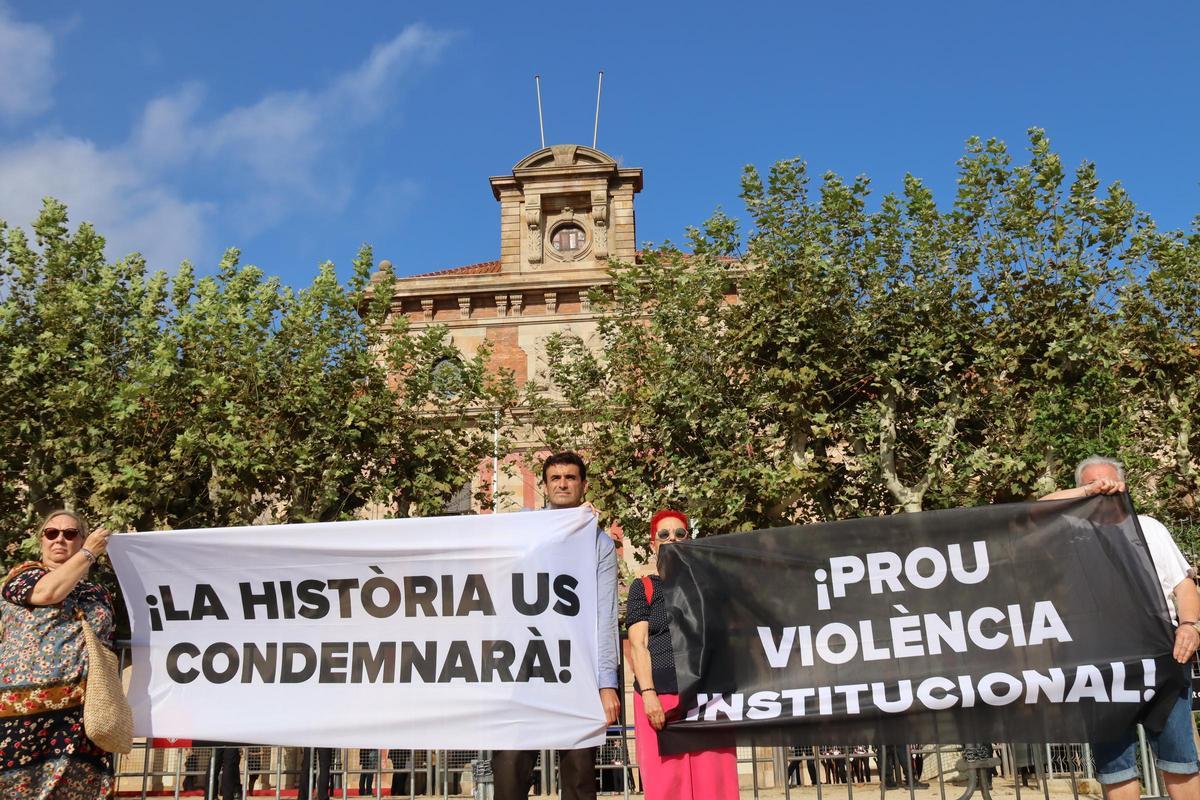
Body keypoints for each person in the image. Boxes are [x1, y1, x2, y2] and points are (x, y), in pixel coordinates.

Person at [1041, 456, 1200, 800]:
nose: (1105, 490)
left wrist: (1190, 625)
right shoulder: (1071, 533)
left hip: (1162, 657)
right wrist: (1087, 491)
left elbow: (1183, 586)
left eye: (1110, 483)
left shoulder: (1150, 527)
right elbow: (1032, 512)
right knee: (1117, 767)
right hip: (1101, 667)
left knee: (1180, 762)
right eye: (1094, 486)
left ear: (1125, 485)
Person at [492, 452, 620, 800]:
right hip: (521, 668)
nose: (563, 483)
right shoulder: (523, 529)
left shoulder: (600, 543)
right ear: (545, 486)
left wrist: (607, 684)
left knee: (579, 780)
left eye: (571, 477)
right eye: (555, 478)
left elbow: (604, 615)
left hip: (575, 672)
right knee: (508, 772)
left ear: (583, 485)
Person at [0, 509, 116, 797]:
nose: (59, 539)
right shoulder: (24, 575)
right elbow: (48, 594)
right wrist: (89, 553)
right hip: (24, 715)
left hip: (83, 717)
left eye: (70, 534)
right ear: (42, 541)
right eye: (52, 533)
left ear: (80, 538)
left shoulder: (97, 592)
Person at [626, 509, 739, 799]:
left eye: (680, 533)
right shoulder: (645, 587)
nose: (672, 539)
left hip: (707, 698)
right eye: (664, 535)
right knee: (667, 785)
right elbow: (638, 644)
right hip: (659, 697)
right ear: (653, 544)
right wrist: (648, 693)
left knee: (715, 785)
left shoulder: (709, 586)